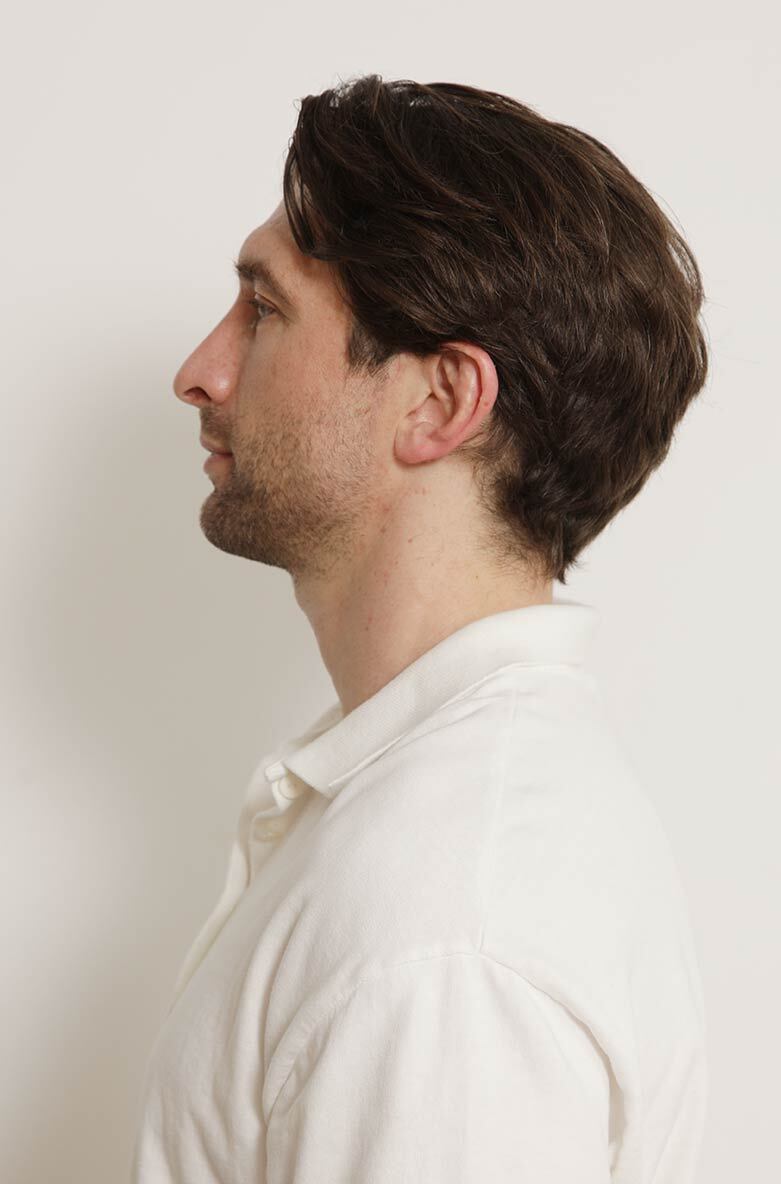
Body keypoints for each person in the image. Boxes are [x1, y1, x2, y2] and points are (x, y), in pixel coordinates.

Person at [130, 74, 709, 1183]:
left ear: (438, 403)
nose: (200, 372)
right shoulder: (435, 831)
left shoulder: (444, 930)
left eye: (264, 310)